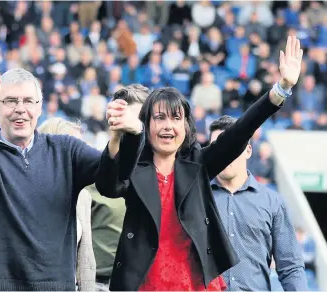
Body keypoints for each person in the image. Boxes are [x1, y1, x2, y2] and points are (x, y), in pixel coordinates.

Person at [95, 36, 304, 291]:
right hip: (145, 285)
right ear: (146, 125)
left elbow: (240, 130)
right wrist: (119, 135)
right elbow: (108, 186)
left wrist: (281, 89)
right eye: (159, 118)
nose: (167, 126)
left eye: (175, 117)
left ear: (186, 126)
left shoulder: (198, 164)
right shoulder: (135, 166)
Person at [0, 67, 144, 290]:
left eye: (28, 101)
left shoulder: (65, 150)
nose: (20, 109)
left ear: (39, 108)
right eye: (10, 101)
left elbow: (111, 184)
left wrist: (126, 137)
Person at [209, 116, 307, 291]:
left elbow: (291, 267)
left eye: (231, 144)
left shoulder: (272, 202)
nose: (223, 152)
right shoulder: (196, 198)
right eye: (216, 146)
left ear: (248, 150)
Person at [90, 84, 150, 292]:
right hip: (102, 282)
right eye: (127, 119)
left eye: (140, 121)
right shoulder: (96, 169)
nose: (134, 127)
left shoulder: (172, 172)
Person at [37, 117, 96, 291]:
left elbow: (85, 257)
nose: (81, 155)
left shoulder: (84, 196)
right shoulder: (27, 191)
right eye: (73, 149)